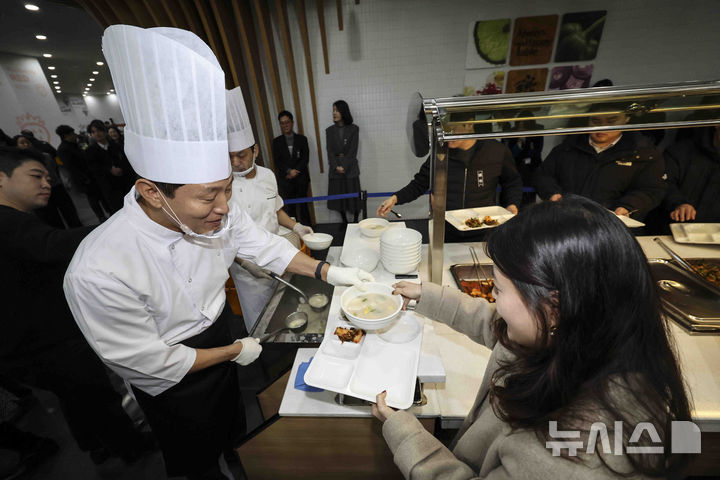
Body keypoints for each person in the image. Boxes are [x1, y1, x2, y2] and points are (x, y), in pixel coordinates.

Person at [64, 25, 372, 480]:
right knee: (194, 460)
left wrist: (328, 271)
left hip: (220, 339)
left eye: (227, 190)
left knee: (237, 433)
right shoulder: (98, 269)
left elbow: (266, 246)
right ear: (152, 191)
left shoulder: (220, 215)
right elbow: (151, 363)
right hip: (174, 380)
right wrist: (232, 351)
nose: (224, 208)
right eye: (209, 196)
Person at [376, 195, 691, 479]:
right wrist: (427, 297)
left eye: (497, 289)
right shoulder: (585, 333)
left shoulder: (569, 454)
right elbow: (497, 327)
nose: (493, 298)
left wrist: (407, 436)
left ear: (554, 306)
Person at [0, 146, 154, 466]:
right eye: (35, 176)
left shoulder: (19, 220)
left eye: (47, 176)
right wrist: (123, 223)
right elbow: (54, 247)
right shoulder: (8, 221)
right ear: (2, 178)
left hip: (28, 340)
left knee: (74, 396)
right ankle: (130, 447)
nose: (47, 183)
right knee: (94, 391)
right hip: (45, 338)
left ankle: (96, 444)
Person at [227, 89, 315, 332]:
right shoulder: (223, 185)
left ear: (254, 150)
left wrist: (297, 226)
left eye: (241, 155)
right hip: (247, 268)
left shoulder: (267, 175)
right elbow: (222, 236)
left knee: (286, 311)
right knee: (259, 322)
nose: (235, 162)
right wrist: (244, 263)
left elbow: (276, 210)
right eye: (230, 156)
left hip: (275, 255)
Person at [377, 112, 522, 242]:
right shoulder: (441, 153)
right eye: (445, 130)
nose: (447, 135)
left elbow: (512, 182)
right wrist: (395, 198)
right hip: (447, 230)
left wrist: (512, 204)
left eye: (452, 129)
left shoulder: (495, 151)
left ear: (469, 124)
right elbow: (419, 184)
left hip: (484, 230)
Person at [533, 103, 667, 221]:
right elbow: (544, 175)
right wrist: (552, 194)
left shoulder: (643, 153)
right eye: (595, 121)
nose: (602, 127)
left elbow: (651, 190)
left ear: (626, 119)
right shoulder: (567, 147)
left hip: (611, 224)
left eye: (611, 121)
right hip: (566, 219)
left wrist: (627, 207)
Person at [13, 134, 82, 228]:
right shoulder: (18, 165)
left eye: (27, 142)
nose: (26, 144)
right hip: (39, 193)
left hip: (56, 188)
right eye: (22, 143)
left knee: (70, 215)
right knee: (52, 220)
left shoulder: (45, 156)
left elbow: (55, 169)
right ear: (16, 146)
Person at [661, 126, 720, 224]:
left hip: (714, 234)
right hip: (669, 231)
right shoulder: (679, 152)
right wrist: (679, 204)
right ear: (717, 125)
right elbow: (662, 184)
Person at [56, 124, 109, 222]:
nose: (75, 135)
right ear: (66, 136)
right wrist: (84, 178)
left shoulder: (75, 144)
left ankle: (108, 211)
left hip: (90, 175)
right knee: (93, 198)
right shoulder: (63, 149)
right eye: (72, 134)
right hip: (83, 179)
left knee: (100, 194)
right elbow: (71, 167)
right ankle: (101, 216)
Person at [85, 119, 134, 213]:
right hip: (109, 187)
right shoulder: (90, 151)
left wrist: (121, 169)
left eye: (99, 130)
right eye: (93, 132)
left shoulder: (116, 146)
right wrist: (109, 170)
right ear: (91, 135)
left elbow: (126, 161)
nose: (97, 134)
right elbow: (93, 168)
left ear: (104, 131)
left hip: (125, 183)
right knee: (119, 211)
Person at [272, 110, 312, 226]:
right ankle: (294, 232)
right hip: (286, 180)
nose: (285, 125)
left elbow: (305, 158)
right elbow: (277, 161)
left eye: (287, 122)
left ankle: (308, 230)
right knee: (290, 208)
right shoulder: (276, 142)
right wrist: (289, 171)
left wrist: (295, 171)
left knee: (304, 206)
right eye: (282, 123)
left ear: (292, 122)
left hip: (301, 179)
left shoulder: (302, 139)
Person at [326, 100, 361, 223]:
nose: (334, 113)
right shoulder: (329, 130)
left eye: (337, 110)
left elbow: (353, 150)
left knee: (353, 196)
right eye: (333, 110)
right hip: (335, 169)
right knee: (339, 196)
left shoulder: (354, 129)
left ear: (343, 111)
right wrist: (336, 167)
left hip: (350, 168)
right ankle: (344, 221)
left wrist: (344, 166)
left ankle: (356, 220)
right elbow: (329, 151)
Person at [504, 111, 544, 206]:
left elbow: (536, 152)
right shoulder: (511, 135)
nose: (521, 128)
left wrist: (527, 141)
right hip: (515, 168)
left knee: (529, 201)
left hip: (531, 170)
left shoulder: (536, 135)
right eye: (519, 125)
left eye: (524, 125)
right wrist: (519, 142)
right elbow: (510, 154)